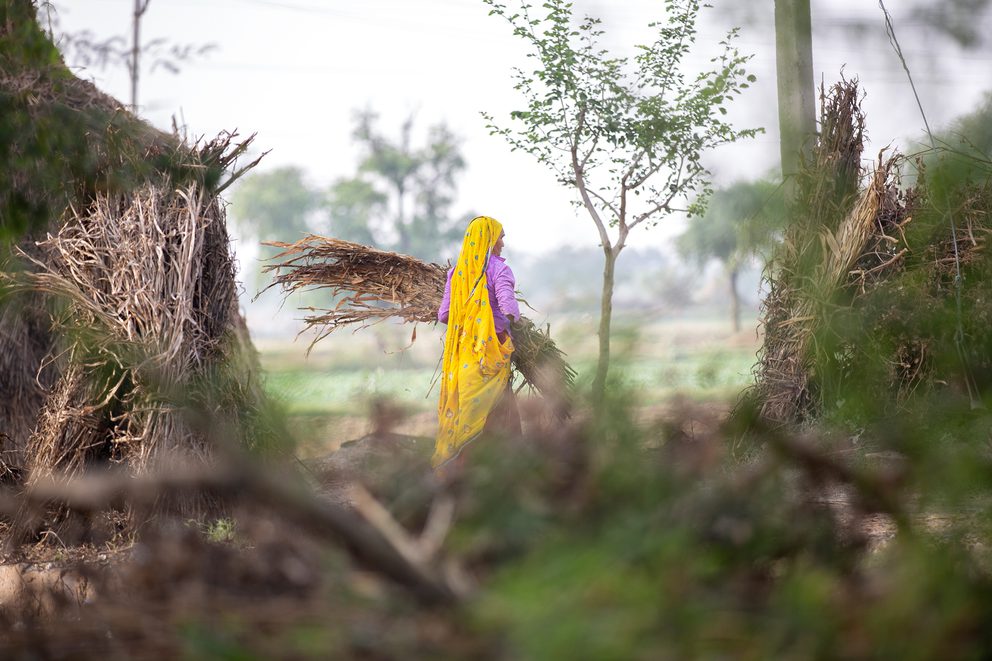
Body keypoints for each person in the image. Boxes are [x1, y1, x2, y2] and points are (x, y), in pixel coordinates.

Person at [433, 215, 520, 468]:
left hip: (463, 356)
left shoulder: (456, 273)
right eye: (500, 236)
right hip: (491, 352)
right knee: (494, 410)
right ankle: (493, 466)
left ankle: (458, 466)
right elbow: (509, 309)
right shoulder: (500, 270)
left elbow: (444, 315)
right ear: (489, 239)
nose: (503, 243)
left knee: (466, 409)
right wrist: (518, 324)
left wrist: (470, 317)